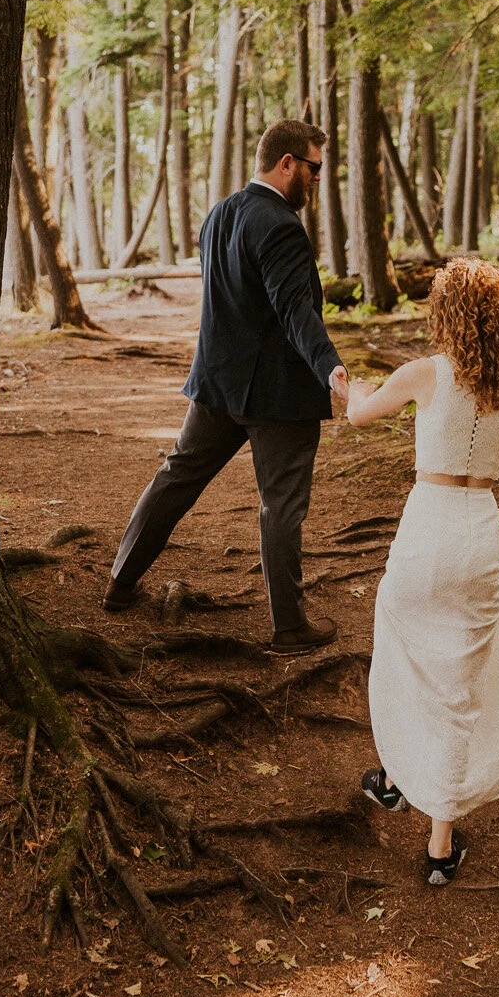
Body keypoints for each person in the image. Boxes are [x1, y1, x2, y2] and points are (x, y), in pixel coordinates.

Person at [340, 259, 499, 884]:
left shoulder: (424, 374)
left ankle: (392, 779)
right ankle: (439, 848)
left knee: (404, 646)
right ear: (498, 319)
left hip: (427, 527)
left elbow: (359, 414)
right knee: (461, 678)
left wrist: (349, 387)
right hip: (479, 531)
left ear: (445, 315)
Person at [104, 118, 348, 657]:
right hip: (277, 395)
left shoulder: (221, 213)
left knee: (176, 477)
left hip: (218, 384)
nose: (316, 180)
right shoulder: (281, 224)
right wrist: (329, 367)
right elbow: (294, 309)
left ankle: (120, 581)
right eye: (314, 168)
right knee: (281, 504)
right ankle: (289, 627)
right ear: (287, 163)